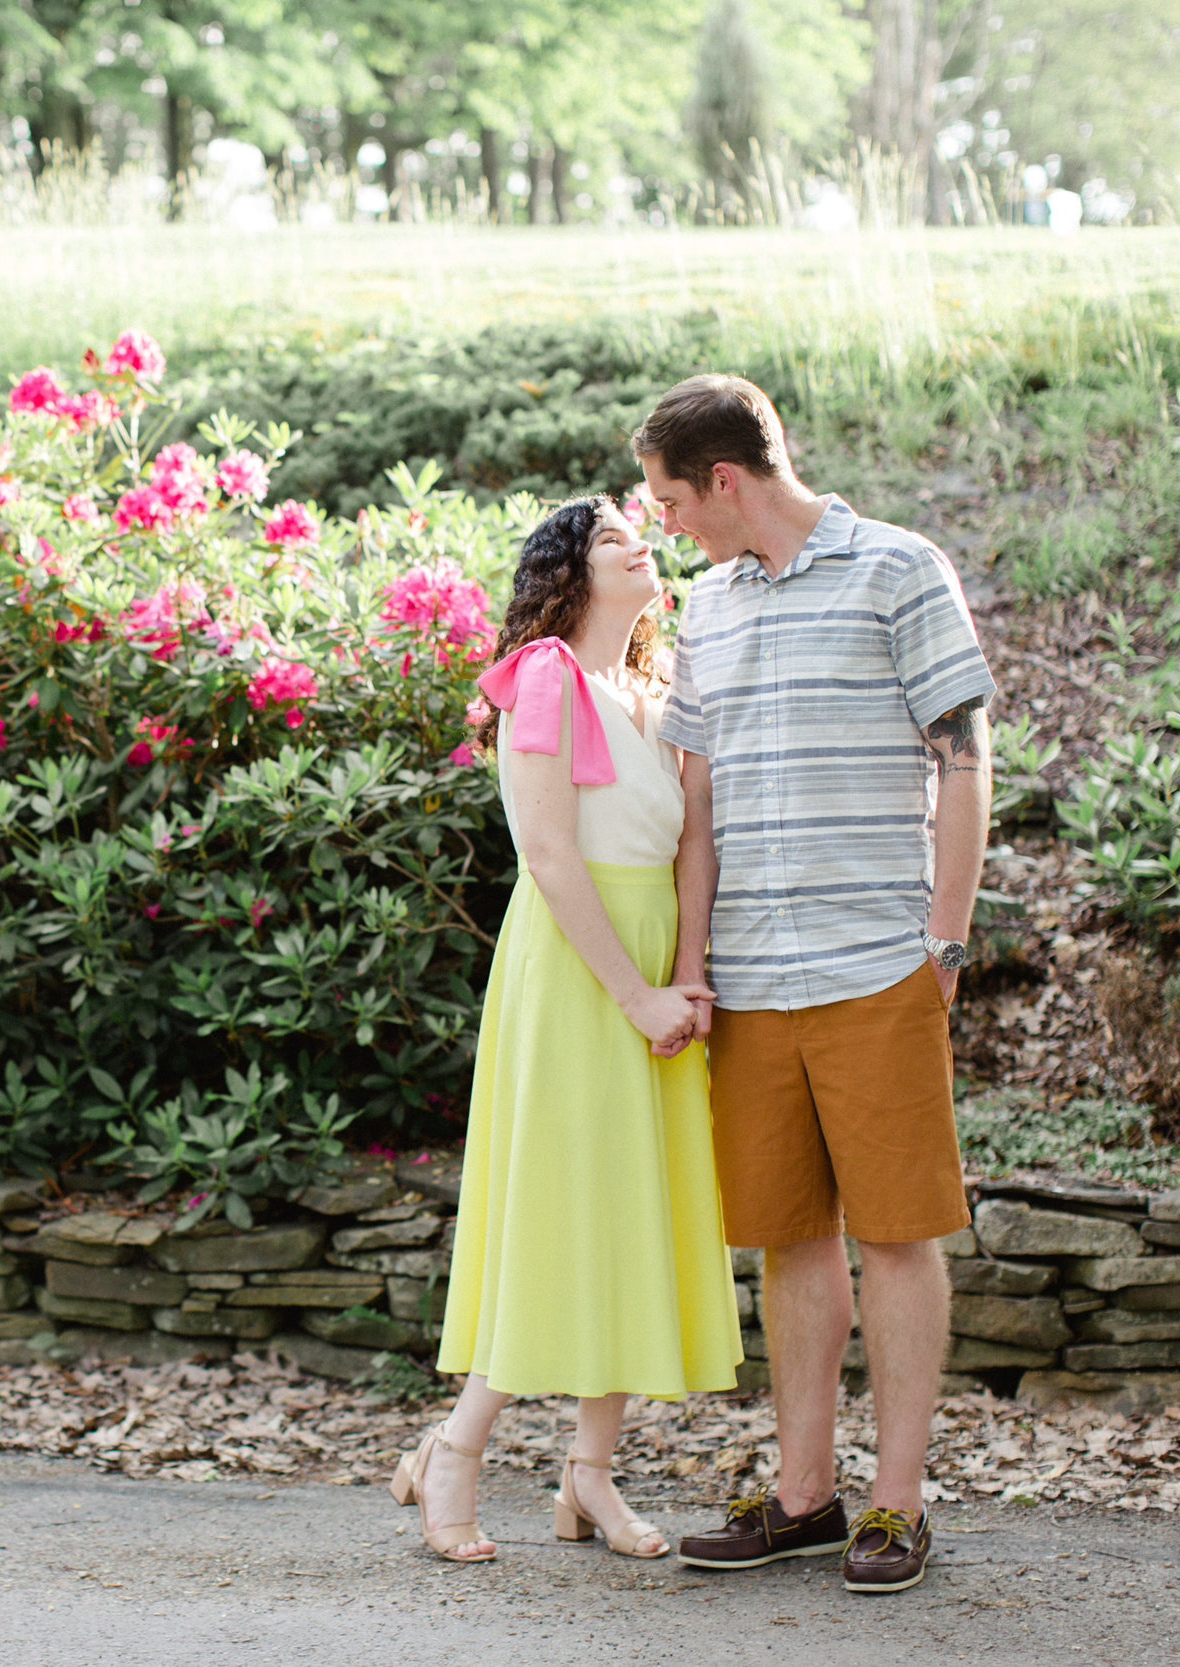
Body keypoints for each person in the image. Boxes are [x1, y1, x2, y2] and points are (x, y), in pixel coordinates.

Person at [637, 374, 994, 1596]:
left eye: (671, 498)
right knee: (789, 1238)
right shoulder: (707, 606)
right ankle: (801, 1496)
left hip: (873, 963)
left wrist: (942, 941)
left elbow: (962, 760)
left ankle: (893, 1506)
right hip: (749, 977)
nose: (664, 520)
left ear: (725, 481)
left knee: (894, 1234)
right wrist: (691, 966)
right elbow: (696, 803)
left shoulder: (899, 568)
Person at [388, 495, 743, 1563]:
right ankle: (454, 1450)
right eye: (611, 537)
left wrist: (684, 976)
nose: (641, 542)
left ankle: (588, 1474)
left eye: (644, 532)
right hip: (575, 962)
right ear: (570, 571)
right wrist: (632, 995)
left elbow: (695, 844)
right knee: (557, 1205)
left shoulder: (660, 681)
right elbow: (547, 853)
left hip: (654, 961)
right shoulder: (544, 674)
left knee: (635, 1210)